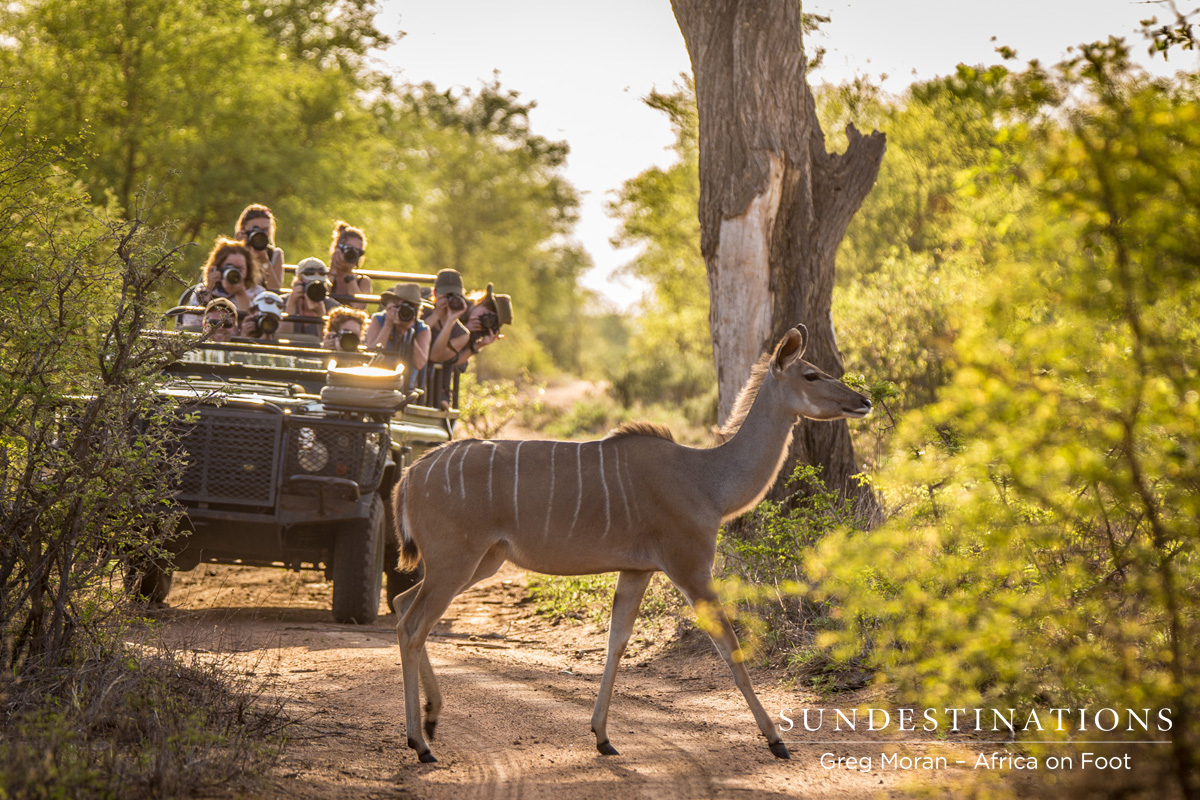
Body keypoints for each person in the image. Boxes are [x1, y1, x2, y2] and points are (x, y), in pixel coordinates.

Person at [178, 238, 262, 328]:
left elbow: (253, 329)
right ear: (218, 268)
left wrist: (240, 293)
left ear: (248, 270)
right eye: (229, 267)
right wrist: (208, 290)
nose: (234, 272)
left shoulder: (257, 293)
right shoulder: (202, 290)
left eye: (240, 269)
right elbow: (191, 325)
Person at [366, 283, 430, 378]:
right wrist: (388, 325)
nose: (404, 310)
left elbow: (419, 364)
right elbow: (371, 356)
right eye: (400, 306)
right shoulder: (379, 320)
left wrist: (406, 332)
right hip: (377, 380)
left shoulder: (422, 329)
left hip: (406, 387)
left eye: (410, 307)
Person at [453, 283, 513, 366]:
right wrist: (462, 330)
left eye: (490, 319)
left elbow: (454, 363)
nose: (483, 318)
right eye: (486, 313)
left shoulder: (476, 332)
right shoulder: (456, 305)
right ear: (482, 301)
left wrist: (479, 345)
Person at [282, 257, 339, 337]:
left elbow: (328, 342)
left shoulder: (334, 308)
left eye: (320, 284)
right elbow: (281, 336)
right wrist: (292, 303)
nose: (315, 289)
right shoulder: (281, 302)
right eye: (310, 284)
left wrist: (320, 315)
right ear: (298, 282)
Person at [235, 204, 285, 292]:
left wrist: (265, 260)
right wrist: (238, 248)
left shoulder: (275, 254)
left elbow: (275, 289)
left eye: (265, 229)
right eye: (255, 228)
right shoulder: (232, 251)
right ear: (243, 229)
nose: (260, 233)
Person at [328, 221, 372, 308]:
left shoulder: (363, 281)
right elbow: (319, 301)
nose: (353, 254)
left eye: (358, 252)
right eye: (349, 249)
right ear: (337, 248)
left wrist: (349, 274)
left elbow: (358, 307)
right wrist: (332, 272)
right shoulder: (322, 275)